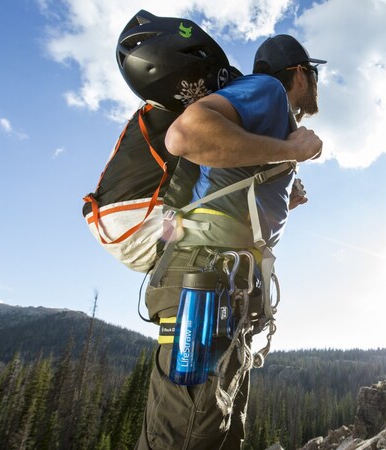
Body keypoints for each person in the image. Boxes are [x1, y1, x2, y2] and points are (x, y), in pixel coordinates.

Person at [136, 34, 326, 450]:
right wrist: (290, 151)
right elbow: (185, 135)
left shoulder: (270, 113)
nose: (314, 83)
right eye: (313, 74)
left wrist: (284, 191)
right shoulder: (268, 89)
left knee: (214, 433)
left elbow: (229, 192)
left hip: (224, 288)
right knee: (188, 435)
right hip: (207, 282)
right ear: (299, 72)